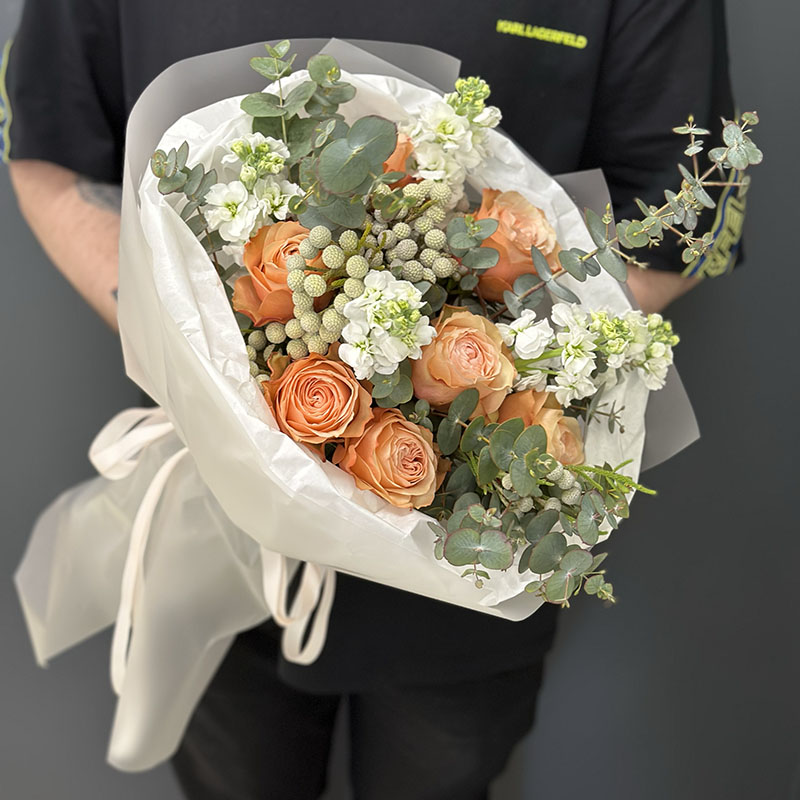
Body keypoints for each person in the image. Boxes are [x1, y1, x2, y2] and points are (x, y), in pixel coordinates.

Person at [2, 1, 740, 798]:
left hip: (469, 559)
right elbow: (50, 146)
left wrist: (485, 366)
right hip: (212, 533)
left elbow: (686, 221)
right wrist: (203, 361)